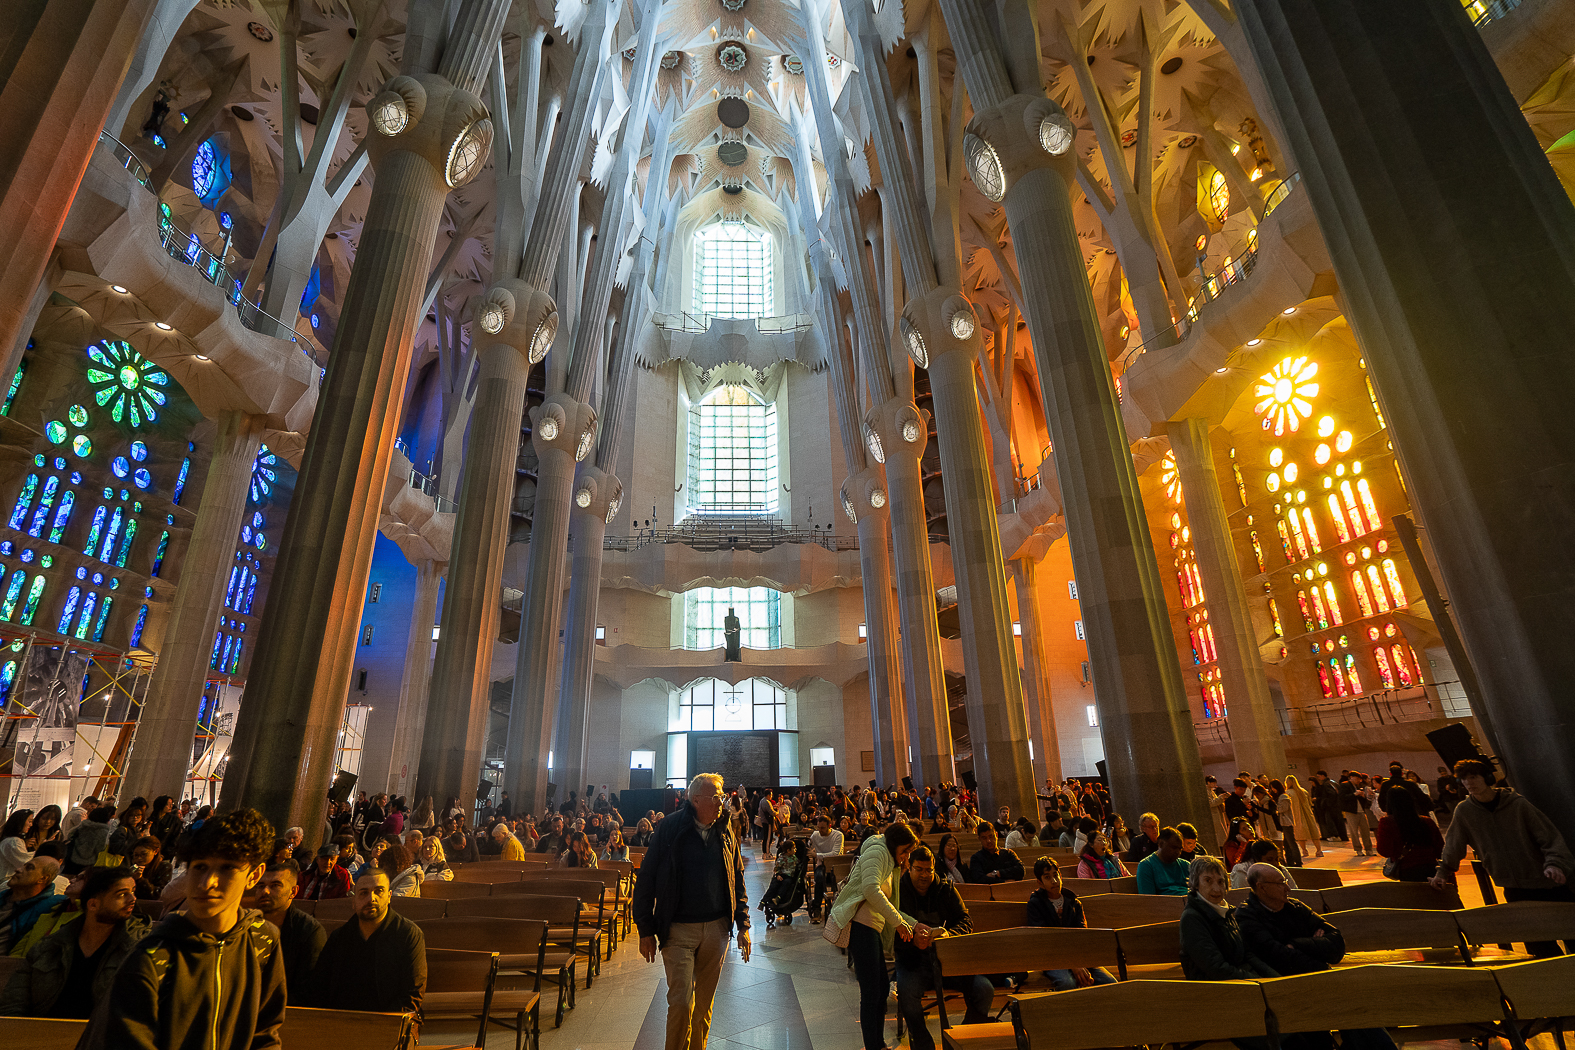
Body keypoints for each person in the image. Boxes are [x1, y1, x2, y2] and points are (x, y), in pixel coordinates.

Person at [78, 809, 286, 1050]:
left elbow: (265, 1032)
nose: (207, 883)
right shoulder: (154, 957)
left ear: (254, 875)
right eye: (200, 867)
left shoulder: (262, 939)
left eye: (227, 868)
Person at [633, 773, 751, 1050]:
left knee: (703, 1008)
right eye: (716, 797)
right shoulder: (671, 828)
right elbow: (647, 878)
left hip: (717, 928)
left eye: (722, 796)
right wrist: (645, 929)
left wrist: (743, 924)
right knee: (681, 1003)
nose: (722, 801)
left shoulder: (725, 830)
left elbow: (737, 878)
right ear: (695, 799)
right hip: (678, 929)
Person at [1430, 757, 1574, 956]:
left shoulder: (1518, 805)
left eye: (1473, 777)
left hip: (1548, 885)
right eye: (1464, 779)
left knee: (1571, 934)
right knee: (1539, 948)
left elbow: (1550, 838)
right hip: (1515, 889)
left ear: (1488, 778)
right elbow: (1454, 845)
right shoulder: (1464, 811)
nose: (1468, 782)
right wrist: (1443, 871)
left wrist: (1555, 864)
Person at [0, 864, 144, 1017]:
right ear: (93, 904)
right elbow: (14, 1002)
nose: (132, 899)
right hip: (42, 1034)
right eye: (122, 894)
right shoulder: (51, 946)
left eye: (133, 892)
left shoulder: (137, 949)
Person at [828, 823, 918, 1050]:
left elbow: (891, 902)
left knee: (880, 988)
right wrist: (898, 923)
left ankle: (878, 1044)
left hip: (872, 927)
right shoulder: (878, 851)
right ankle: (874, 1046)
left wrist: (912, 924)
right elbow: (870, 889)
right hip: (861, 926)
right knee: (871, 991)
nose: (907, 855)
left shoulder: (890, 860)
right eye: (905, 850)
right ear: (895, 844)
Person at [894, 846, 994, 1050]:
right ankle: (923, 1043)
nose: (924, 875)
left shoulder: (945, 888)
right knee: (907, 994)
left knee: (984, 989)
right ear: (909, 868)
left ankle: (963, 1038)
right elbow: (890, 927)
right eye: (919, 869)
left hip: (947, 958)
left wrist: (948, 935)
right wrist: (913, 940)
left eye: (928, 870)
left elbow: (965, 920)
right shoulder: (899, 890)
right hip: (913, 960)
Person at [308, 867, 426, 1013]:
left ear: (389, 896)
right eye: (363, 893)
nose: (371, 898)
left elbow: (411, 996)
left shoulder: (408, 934)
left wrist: (375, 1025)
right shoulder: (339, 937)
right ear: (353, 901)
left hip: (390, 1024)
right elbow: (319, 987)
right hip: (341, 1022)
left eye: (379, 891)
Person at [1179, 855, 1278, 981]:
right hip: (1216, 987)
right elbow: (1217, 969)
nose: (1216, 888)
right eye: (1208, 880)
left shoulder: (1226, 912)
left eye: (1220, 882)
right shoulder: (1192, 919)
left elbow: (1247, 954)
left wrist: (1273, 978)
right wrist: (1258, 982)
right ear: (1196, 883)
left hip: (1241, 978)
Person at [1025, 858, 1117, 989]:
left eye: (1056, 875)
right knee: (1067, 982)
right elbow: (1044, 940)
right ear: (1039, 882)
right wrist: (1073, 965)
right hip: (1052, 959)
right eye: (1047, 877)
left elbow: (1082, 935)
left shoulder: (1073, 902)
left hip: (1079, 955)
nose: (1054, 881)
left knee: (1109, 982)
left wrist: (1077, 962)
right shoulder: (1035, 904)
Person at [252, 859, 326, 1000]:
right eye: (261, 886)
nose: (265, 891)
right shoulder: (246, 925)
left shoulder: (310, 932)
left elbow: (308, 990)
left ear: (293, 891)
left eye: (275, 885)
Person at [1375, 790, 1444, 882]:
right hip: (1431, 869)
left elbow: (1384, 851)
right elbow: (1440, 848)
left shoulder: (1387, 822)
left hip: (1407, 870)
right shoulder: (1427, 821)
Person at [0, 856, 63, 955]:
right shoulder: (3, 896)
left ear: (43, 879)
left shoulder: (46, 907)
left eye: (29, 868)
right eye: (23, 866)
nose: (18, 869)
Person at [807, 814, 844, 922]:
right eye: (818, 827)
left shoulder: (838, 835)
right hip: (821, 866)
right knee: (819, 877)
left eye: (822, 828)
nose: (820, 830)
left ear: (829, 826)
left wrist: (817, 855)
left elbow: (835, 854)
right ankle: (817, 908)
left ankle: (836, 907)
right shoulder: (815, 835)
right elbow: (809, 848)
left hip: (835, 866)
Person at [1135, 827, 1191, 895]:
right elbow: (1148, 900)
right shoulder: (1147, 865)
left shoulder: (1186, 865)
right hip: (1167, 904)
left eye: (1180, 849)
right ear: (1161, 843)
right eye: (1174, 848)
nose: (1178, 852)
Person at [61, 806, 114, 876]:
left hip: (72, 858)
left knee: (67, 879)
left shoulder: (83, 825)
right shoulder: (103, 831)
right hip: (88, 862)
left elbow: (70, 834)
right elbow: (100, 848)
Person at [1229, 839, 1300, 889]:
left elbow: (1294, 892)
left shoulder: (1280, 869)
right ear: (1257, 859)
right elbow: (1241, 897)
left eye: (1276, 859)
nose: (1274, 864)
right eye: (1269, 859)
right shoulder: (1242, 871)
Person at [1339, 773, 1375, 856]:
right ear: (1351, 777)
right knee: (1354, 832)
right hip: (1351, 811)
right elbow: (1342, 797)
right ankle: (1358, 849)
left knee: (1365, 831)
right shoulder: (1345, 785)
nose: (1359, 780)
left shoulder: (1358, 786)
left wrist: (1363, 796)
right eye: (1357, 778)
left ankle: (1368, 849)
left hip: (1361, 811)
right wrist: (1355, 794)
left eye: (1360, 779)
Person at [1, 809, 34, 882]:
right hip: (7, 880)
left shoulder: (11, 840)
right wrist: (43, 849)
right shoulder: (13, 841)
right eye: (29, 821)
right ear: (20, 822)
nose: (31, 825)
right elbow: (25, 861)